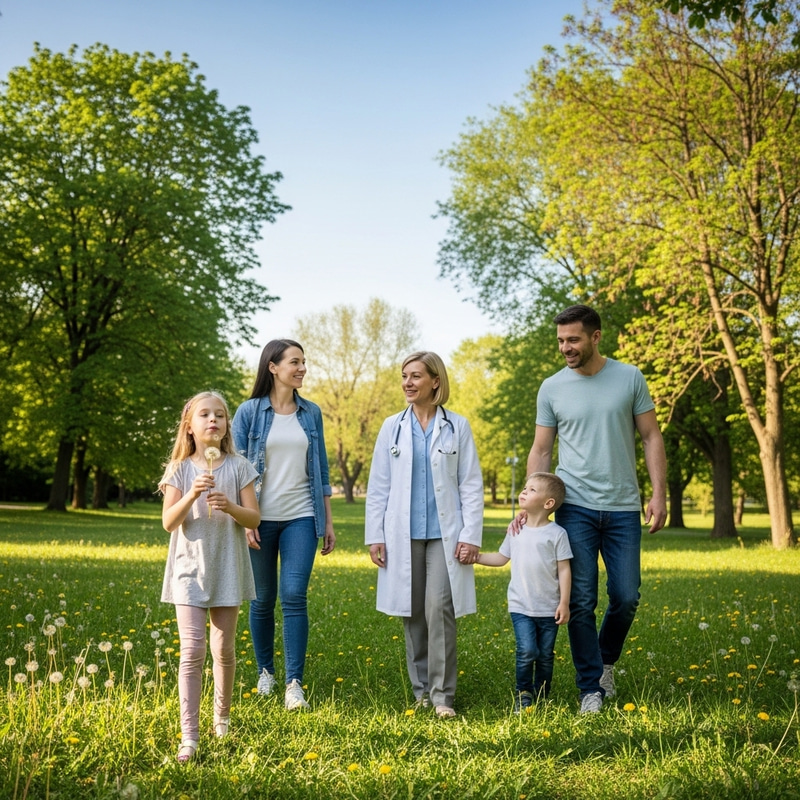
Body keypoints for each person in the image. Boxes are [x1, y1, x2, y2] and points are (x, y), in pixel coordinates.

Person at [522, 304, 667, 714]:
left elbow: (651, 436)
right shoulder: (552, 387)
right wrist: (532, 502)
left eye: (573, 339)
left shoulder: (629, 377)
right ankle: (591, 687)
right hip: (576, 507)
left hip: (622, 507)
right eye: (561, 341)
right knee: (581, 599)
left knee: (626, 596)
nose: (566, 347)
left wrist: (659, 493)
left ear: (596, 337)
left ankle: (605, 662)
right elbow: (542, 448)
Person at [365, 351, 484, 718]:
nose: (408, 383)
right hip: (402, 533)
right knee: (412, 612)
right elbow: (379, 485)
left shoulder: (457, 426)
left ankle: (442, 696)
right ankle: (420, 692)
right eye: (404, 376)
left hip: (444, 535)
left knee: (439, 609)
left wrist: (471, 535)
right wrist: (375, 535)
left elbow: (471, 484)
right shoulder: (392, 427)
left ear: (436, 381)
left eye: (416, 376)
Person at [231, 338, 335, 712]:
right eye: (295, 362)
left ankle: (294, 683)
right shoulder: (248, 412)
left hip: (301, 517)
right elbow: (236, 469)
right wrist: (244, 520)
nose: (302, 368)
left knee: (293, 596)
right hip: (257, 518)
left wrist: (328, 519)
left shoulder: (312, 413)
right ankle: (266, 672)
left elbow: (320, 469)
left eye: (304, 362)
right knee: (262, 600)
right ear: (273, 367)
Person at [160, 391, 261, 763]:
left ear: (226, 426)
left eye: (219, 415)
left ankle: (222, 716)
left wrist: (230, 506)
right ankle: (190, 735)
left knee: (223, 648)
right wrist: (192, 495)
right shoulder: (180, 469)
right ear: (190, 425)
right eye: (204, 415)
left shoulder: (238, 466)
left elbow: (254, 518)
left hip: (228, 567)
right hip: (189, 569)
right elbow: (169, 522)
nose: (213, 420)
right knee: (192, 651)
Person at [472, 472, 572, 712]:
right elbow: (501, 557)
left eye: (532, 490)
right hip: (520, 606)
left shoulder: (557, 534)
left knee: (545, 655)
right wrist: (475, 557)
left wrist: (565, 603)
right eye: (525, 487)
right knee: (527, 650)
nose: (524, 492)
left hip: (549, 607)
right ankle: (523, 693)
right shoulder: (516, 530)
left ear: (548, 504)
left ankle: (542, 693)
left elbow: (564, 570)